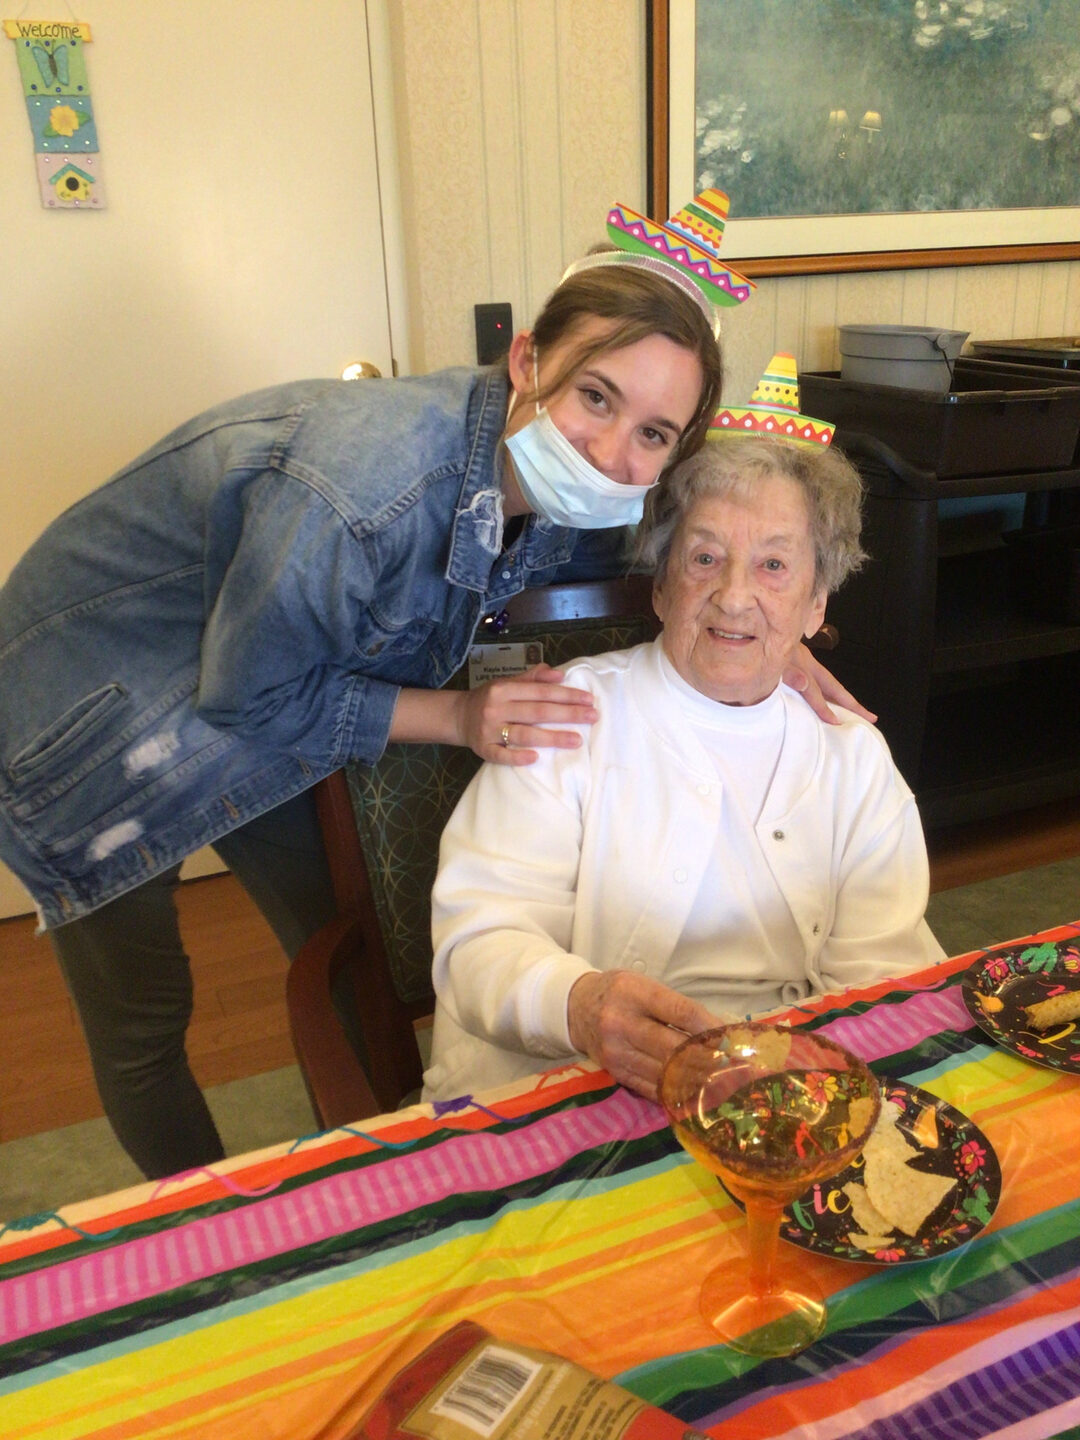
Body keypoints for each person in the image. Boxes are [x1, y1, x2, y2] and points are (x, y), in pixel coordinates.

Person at [0, 194, 864, 1178]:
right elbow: (247, 698)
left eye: (654, 433)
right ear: (527, 360)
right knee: (143, 1020)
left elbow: (681, 566)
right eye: (595, 396)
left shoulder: (569, 477)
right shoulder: (362, 493)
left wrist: (761, 628)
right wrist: (457, 714)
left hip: (256, 668)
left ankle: (371, 1169)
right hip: (88, 709)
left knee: (348, 940)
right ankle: (201, 1224)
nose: (611, 452)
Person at [423, 427, 945, 1105]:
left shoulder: (853, 758)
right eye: (704, 557)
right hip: (575, 1081)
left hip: (789, 1089)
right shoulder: (565, 718)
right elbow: (480, 938)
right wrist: (578, 1005)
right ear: (662, 587)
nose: (734, 595)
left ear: (816, 604)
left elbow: (882, 977)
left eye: (773, 565)